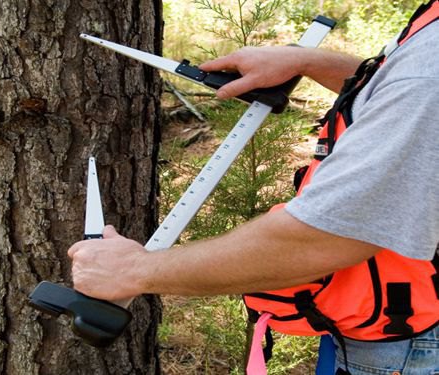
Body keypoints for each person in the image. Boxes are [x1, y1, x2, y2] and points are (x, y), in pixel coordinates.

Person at [68, 2, 439, 374]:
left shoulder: (429, 74)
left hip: (408, 346)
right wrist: (310, 63)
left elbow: (330, 236)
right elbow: (403, 92)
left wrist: (135, 271)